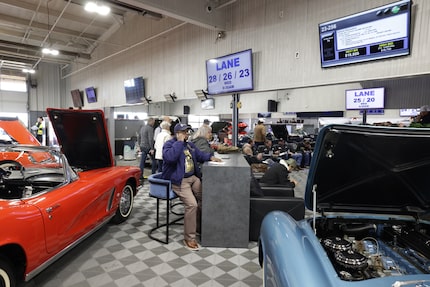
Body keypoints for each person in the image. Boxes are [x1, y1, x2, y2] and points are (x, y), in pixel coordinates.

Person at [161, 123, 221, 251]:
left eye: (187, 132)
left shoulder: (190, 145)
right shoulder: (169, 145)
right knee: (192, 205)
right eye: (184, 132)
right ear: (177, 133)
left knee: (206, 199)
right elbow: (170, 158)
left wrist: (211, 157)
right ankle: (189, 238)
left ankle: (199, 227)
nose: (187, 134)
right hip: (180, 180)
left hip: (193, 178)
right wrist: (179, 141)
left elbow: (199, 155)